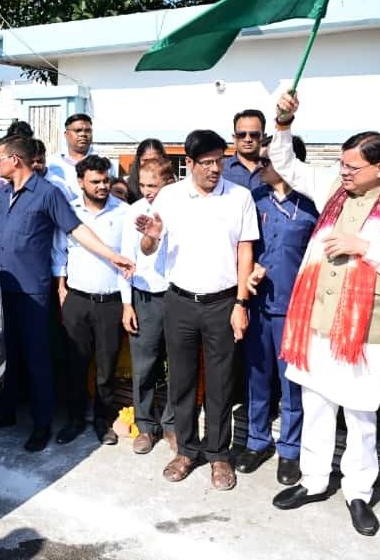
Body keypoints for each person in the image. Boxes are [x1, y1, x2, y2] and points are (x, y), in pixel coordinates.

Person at [267, 92, 380, 538]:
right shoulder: (334, 193)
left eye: (352, 167)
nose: (343, 173)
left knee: (360, 417)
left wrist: (365, 248)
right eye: (341, 165)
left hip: (365, 332)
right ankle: (313, 480)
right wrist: (283, 124)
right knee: (316, 407)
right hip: (317, 324)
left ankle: (358, 492)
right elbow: (286, 163)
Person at [0, 136, 134, 453]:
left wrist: (111, 255)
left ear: (15, 160)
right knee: (9, 356)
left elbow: (76, 229)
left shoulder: (48, 194)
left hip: (34, 292)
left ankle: (42, 424)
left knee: (37, 360)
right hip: (4, 289)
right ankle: (5, 412)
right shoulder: (2, 194)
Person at [135, 129, 258, 492]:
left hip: (223, 302)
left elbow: (245, 252)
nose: (215, 169)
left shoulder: (239, 197)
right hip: (179, 302)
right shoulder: (170, 197)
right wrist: (151, 235)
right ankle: (187, 450)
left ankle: (219, 455)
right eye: (206, 162)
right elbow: (147, 249)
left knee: (221, 382)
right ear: (188, 163)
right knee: (182, 380)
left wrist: (241, 303)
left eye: (219, 161)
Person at [236, 134, 318, 486]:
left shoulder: (313, 206)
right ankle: (256, 441)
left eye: (267, 161)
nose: (260, 166)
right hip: (257, 305)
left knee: (291, 384)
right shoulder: (254, 201)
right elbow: (241, 248)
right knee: (257, 378)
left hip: (296, 309)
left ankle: (290, 450)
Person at [53, 155, 130, 446]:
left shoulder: (123, 212)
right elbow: (59, 252)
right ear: (80, 182)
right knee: (76, 364)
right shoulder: (70, 212)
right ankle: (75, 419)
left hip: (111, 302)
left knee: (106, 367)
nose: (102, 186)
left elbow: (128, 261)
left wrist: (126, 303)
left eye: (105, 180)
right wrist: (61, 289)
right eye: (95, 181)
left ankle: (102, 420)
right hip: (77, 300)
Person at [120, 158, 177, 455]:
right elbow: (125, 260)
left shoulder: (182, 210)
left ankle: (172, 424)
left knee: (178, 365)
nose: (147, 191)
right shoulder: (134, 211)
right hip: (144, 297)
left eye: (153, 185)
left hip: (178, 296)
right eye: (142, 185)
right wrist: (127, 304)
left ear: (168, 182)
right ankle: (145, 426)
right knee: (144, 366)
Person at [47, 113, 117, 201]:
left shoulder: (104, 163)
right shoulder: (52, 163)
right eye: (78, 130)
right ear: (66, 134)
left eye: (87, 131)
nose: (83, 134)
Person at [222, 109, 267, 191]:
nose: (247, 139)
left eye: (254, 134)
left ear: (264, 137)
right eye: (241, 135)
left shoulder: (276, 170)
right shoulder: (221, 169)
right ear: (234, 138)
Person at [126, 138, 167, 203]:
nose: (150, 164)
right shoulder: (126, 184)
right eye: (145, 160)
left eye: (154, 160)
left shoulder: (172, 183)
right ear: (138, 160)